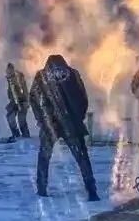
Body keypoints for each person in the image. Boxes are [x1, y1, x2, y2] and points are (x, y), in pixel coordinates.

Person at [29, 54, 99, 201]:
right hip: (70, 123)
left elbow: (33, 99)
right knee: (82, 157)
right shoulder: (72, 74)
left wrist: (42, 119)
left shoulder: (41, 76)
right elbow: (83, 98)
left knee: (44, 157)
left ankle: (42, 189)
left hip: (50, 124)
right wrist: (78, 117)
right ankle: (91, 191)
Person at [5, 63, 31, 139]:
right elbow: (10, 92)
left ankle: (26, 136)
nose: (8, 73)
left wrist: (26, 101)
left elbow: (24, 90)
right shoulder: (9, 78)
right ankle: (16, 135)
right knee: (10, 118)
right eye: (7, 71)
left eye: (9, 71)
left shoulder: (18, 77)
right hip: (14, 101)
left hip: (22, 100)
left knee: (21, 120)